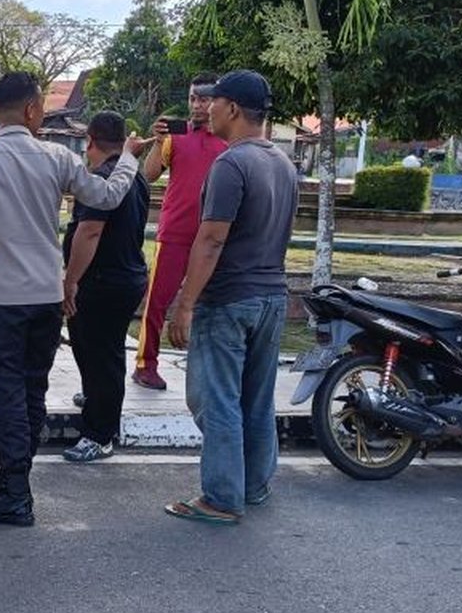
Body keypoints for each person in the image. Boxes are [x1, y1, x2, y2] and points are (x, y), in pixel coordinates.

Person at [0, 71, 145, 526]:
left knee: (7, 392)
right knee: (32, 388)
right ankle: (13, 476)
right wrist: (130, 158)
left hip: (4, 298)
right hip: (46, 295)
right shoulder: (59, 157)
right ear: (35, 109)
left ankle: (16, 493)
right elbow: (110, 194)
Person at [162, 69, 298, 525]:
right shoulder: (282, 162)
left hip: (229, 299)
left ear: (233, 109)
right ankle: (254, 484)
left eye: (214, 102)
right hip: (271, 297)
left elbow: (211, 239)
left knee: (214, 398)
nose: (206, 110)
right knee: (256, 398)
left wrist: (185, 302)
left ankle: (221, 497)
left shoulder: (231, 164)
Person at [61, 112, 150, 463]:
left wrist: (71, 280)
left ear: (90, 141)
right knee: (90, 346)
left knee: (103, 355)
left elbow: (90, 232)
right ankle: (96, 396)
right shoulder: (134, 175)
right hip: (124, 275)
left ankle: (100, 433)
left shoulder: (99, 180)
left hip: (104, 280)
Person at [133, 72, 227, 391]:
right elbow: (147, 175)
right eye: (193, 98)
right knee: (158, 301)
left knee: (211, 304)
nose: (197, 105)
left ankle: (206, 367)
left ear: (219, 101)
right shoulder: (176, 135)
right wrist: (159, 142)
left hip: (213, 237)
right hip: (174, 232)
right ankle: (146, 364)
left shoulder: (230, 141)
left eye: (204, 98)